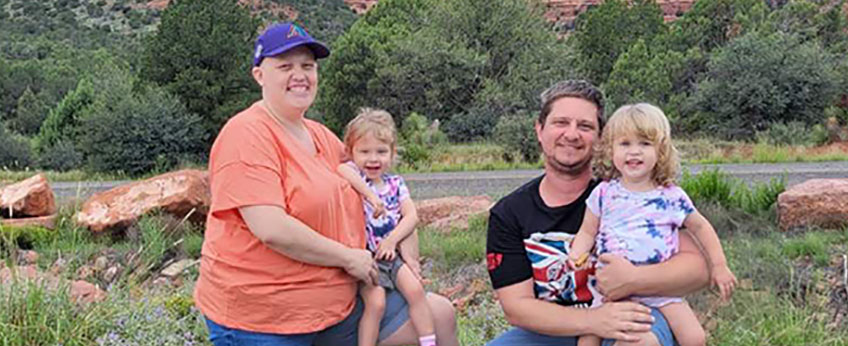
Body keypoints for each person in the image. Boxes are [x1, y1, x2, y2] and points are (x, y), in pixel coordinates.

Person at [193, 22, 458, 346]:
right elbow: (271, 228)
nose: (300, 75)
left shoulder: (321, 135)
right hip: (265, 319)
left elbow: (380, 193)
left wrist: (408, 253)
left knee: (439, 315)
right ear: (259, 75)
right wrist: (349, 257)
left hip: (337, 308)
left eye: (307, 66)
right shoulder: (246, 134)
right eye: (285, 66)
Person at [485, 80, 710, 346]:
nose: (572, 134)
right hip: (554, 328)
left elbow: (698, 269)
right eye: (561, 123)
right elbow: (517, 307)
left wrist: (634, 279)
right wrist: (594, 320)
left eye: (585, 126)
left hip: (633, 313)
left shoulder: (632, 194)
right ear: (539, 130)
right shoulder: (509, 213)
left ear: (602, 138)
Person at [566, 103, 737, 346]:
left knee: (695, 337)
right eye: (625, 144)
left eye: (645, 144)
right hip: (612, 288)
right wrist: (577, 253)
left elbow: (701, 227)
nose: (634, 152)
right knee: (588, 339)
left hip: (660, 288)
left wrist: (719, 266)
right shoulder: (603, 193)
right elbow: (587, 231)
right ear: (610, 150)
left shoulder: (671, 197)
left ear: (661, 151)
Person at [336, 108, 437, 346]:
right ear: (352, 153)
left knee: (416, 292)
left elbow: (411, 216)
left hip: (391, 253)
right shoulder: (356, 179)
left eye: (381, 152)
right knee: (377, 302)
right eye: (365, 152)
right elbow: (341, 169)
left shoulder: (396, 184)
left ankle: (428, 342)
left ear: (392, 154)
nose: (373, 159)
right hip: (367, 257)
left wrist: (392, 241)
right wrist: (370, 195)